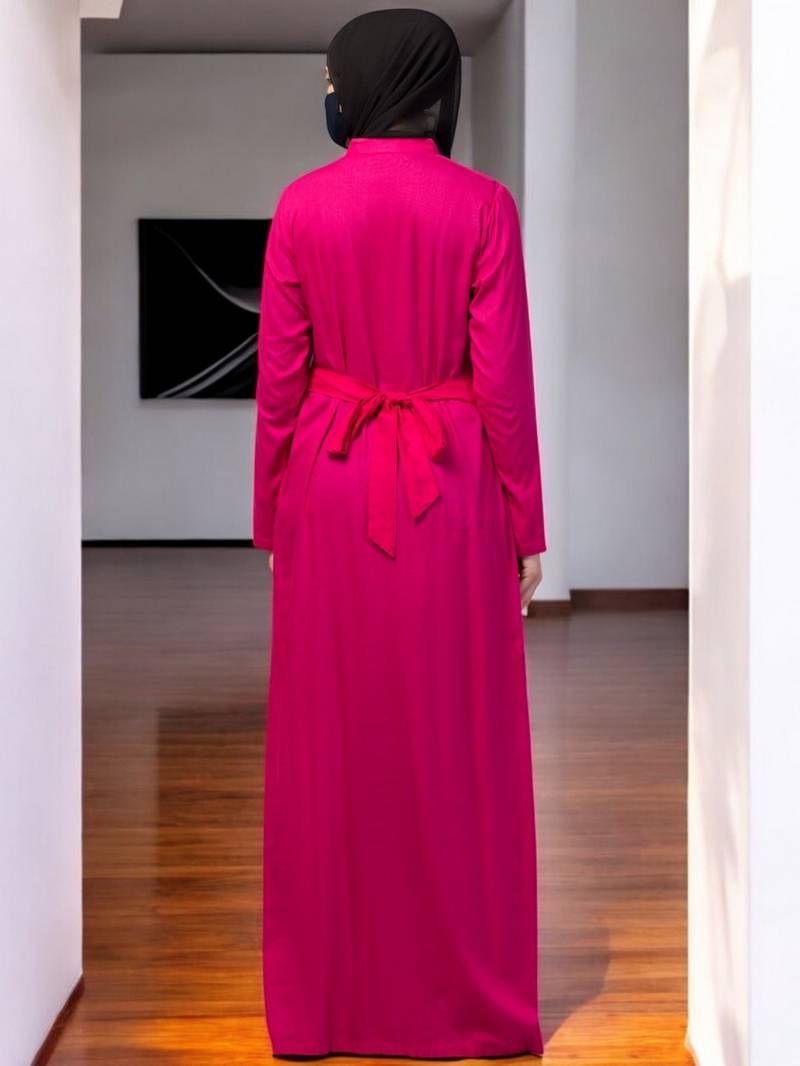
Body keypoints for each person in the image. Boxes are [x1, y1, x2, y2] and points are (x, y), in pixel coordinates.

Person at [252, 8, 546, 1058]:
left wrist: (271, 516)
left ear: (364, 86)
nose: (329, 96)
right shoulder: (482, 206)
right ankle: (463, 998)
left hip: (328, 489)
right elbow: (502, 381)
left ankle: (329, 1004)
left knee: (331, 742)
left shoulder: (302, 205)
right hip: (451, 490)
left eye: (334, 81)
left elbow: (279, 380)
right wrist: (525, 520)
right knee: (455, 738)